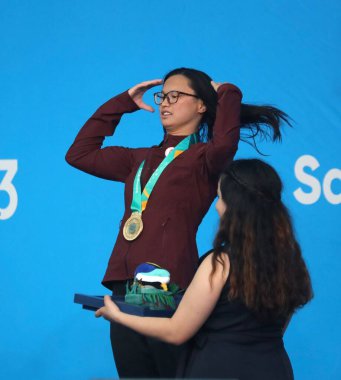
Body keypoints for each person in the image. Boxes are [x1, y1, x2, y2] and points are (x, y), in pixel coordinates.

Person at [65, 67, 290, 377]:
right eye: (162, 97)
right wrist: (121, 103)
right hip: (123, 283)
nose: (165, 104)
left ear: (201, 105)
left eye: (175, 96)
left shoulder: (205, 159)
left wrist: (227, 91)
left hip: (166, 284)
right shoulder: (138, 158)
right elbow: (79, 154)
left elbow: (225, 143)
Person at [96, 158, 313, 380]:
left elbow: (177, 331)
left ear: (234, 204)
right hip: (274, 368)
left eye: (220, 198)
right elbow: (278, 328)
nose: (217, 206)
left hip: (219, 368)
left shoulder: (219, 264)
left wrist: (119, 315)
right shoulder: (292, 262)